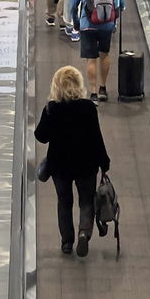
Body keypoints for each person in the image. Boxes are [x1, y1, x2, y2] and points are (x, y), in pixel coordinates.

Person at [33, 66, 110, 257]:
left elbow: (40, 136)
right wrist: (104, 161)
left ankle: (67, 242)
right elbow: (96, 137)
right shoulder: (88, 108)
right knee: (86, 202)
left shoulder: (52, 109)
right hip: (86, 164)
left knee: (64, 203)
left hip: (60, 166)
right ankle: (84, 233)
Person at [69, 0, 126, 102]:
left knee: (91, 59)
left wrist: (76, 24)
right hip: (106, 24)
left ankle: (93, 92)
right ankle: (103, 88)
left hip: (88, 25)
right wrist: (116, 16)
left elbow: (73, 5)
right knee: (104, 55)